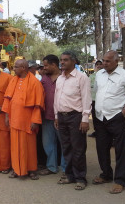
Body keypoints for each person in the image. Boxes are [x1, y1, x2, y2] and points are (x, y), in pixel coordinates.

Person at [93, 51, 125, 194]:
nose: (104, 63)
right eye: (103, 60)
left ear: (116, 61)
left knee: (120, 150)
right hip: (100, 117)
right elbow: (97, 92)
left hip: (116, 117)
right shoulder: (99, 74)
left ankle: (120, 181)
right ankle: (106, 174)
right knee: (101, 148)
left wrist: (123, 112)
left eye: (108, 61)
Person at [54, 51, 91, 191]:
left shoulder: (82, 78)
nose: (62, 62)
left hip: (76, 117)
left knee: (78, 148)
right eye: (61, 60)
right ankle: (70, 175)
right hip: (62, 117)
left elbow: (86, 99)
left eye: (65, 60)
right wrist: (56, 116)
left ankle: (80, 178)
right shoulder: (60, 78)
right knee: (66, 147)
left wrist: (85, 119)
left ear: (73, 61)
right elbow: (57, 99)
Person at [2, 59, 44, 180]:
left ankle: (31, 169)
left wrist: (35, 120)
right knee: (15, 146)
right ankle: (17, 169)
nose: (13, 69)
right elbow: (7, 99)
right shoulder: (13, 80)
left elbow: (38, 104)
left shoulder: (35, 83)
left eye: (15, 67)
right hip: (14, 120)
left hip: (27, 121)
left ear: (23, 68)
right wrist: (6, 116)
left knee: (29, 147)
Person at [39, 55, 66, 176]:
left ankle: (66, 168)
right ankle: (51, 167)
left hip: (62, 117)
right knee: (48, 144)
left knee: (64, 143)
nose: (44, 68)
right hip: (47, 117)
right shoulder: (44, 79)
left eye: (46, 65)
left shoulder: (65, 77)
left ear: (54, 65)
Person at [88, 60, 103, 138]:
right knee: (94, 117)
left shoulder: (105, 75)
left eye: (101, 64)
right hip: (93, 99)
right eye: (97, 64)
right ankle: (96, 131)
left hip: (102, 101)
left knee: (101, 117)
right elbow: (90, 87)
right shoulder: (92, 76)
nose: (99, 66)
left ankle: (102, 133)